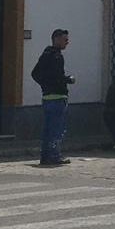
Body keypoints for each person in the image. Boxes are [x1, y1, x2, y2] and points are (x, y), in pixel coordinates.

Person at [31, 28, 75, 166]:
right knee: (57, 129)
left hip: (47, 97)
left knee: (48, 129)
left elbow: (35, 73)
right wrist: (68, 79)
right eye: (65, 39)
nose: (67, 42)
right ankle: (54, 156)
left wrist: (45, 85)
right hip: (57, 97)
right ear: (56, 39)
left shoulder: (46, 54)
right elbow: (57, 77)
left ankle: (45, 157)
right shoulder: (56, 56)